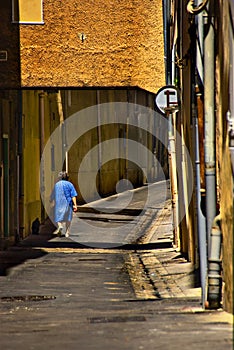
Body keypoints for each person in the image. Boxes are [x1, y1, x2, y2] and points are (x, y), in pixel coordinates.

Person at [50, 171, 78, 237]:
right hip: (68, 203)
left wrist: (51, 200)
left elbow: (53, 194)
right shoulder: (70, 184)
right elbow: (73, 195)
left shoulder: (56, 185)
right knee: (68, 218)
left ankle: (60, 226)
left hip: (58, 204)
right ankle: (67, 232)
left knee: (57, 217)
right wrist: (75, 205)